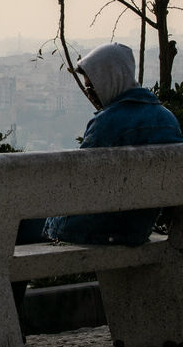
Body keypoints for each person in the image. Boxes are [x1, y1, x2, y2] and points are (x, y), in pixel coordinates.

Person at [44, 41, 183, 245]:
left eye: (92, 87)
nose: (91, 94)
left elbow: (79, 181)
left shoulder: (107, 123)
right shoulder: (168, 120)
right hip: (138, 229)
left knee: (23, 220)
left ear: (109, 80)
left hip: (97, 228)